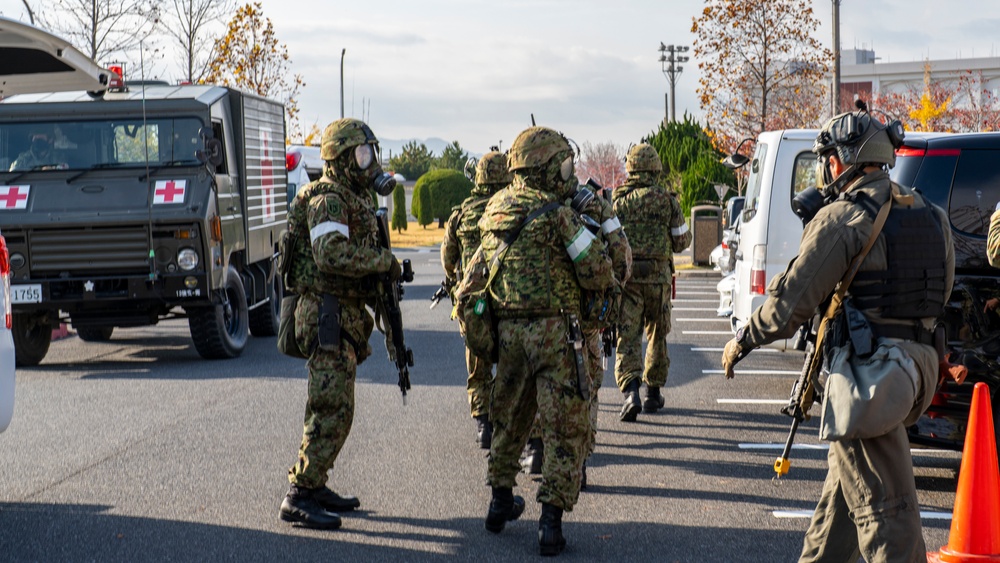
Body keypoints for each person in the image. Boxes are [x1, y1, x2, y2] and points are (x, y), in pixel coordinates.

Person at [721, 105, 954, 562]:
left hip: (871, 381)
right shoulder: (929, 211)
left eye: (827, 158)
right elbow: (940, 294)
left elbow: (791, 303)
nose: (826, 168)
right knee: (839, 513)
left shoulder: (843, 216)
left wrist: (742, 340)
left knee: (888, 518)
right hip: (917, 370)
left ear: (842, 160)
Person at [478, 126, 614, 556]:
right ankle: (550, 523)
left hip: (509, 335)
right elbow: (597, 272)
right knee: (564, 427)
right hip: (558, 335)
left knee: (511, 419)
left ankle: (500, 499)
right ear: (546, 167)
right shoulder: (558, 215)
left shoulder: (493, 210)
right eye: (563, 165)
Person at [279, 118, 402, 530]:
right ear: (343, 156)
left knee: (335, 408)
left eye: (372, 152)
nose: (370, 162)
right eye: (363, 153)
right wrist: (382, 262)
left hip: (338, 313)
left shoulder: (353, 196)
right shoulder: (328, 199)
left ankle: (315, 485)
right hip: (325, 313)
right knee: (332, 409)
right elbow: (330, 253)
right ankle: (300, 494)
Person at [612, 143, 690, 422]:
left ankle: (630, 392)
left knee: (628, 336)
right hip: (658, 279)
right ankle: (652, 394)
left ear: (630, 168)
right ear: (656, 167)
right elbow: (682, 241)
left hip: (629, 280)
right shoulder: (667, 200)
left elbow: (609, 241)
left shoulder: (618, 201)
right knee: (657, 334)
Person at [441, 148, 512, 449]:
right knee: (511, 359)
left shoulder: (462, 212)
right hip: (507, 296)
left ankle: (483, 422)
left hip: (474, 301)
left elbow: (448, 257)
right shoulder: (511, 206)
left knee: (477, 360)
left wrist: (455, 279)